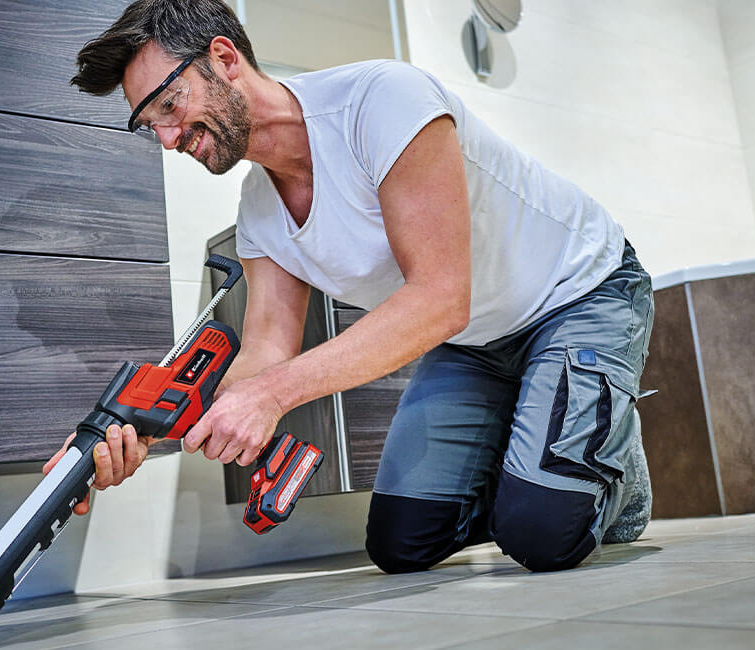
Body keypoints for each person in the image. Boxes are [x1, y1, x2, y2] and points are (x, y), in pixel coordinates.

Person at [44, 0, 655, 573]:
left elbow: (440, 298)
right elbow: (265, 357)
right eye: (148, 124)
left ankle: (605, 470)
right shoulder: (261, 211)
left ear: (225, 59)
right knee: (402, 542)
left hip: (579, 293)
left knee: (544, 534)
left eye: (169, 106)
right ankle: (549, 438)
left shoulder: (382, 102)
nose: (168, 139)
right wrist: (131, 424)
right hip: (476, 345)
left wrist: (273, 396)